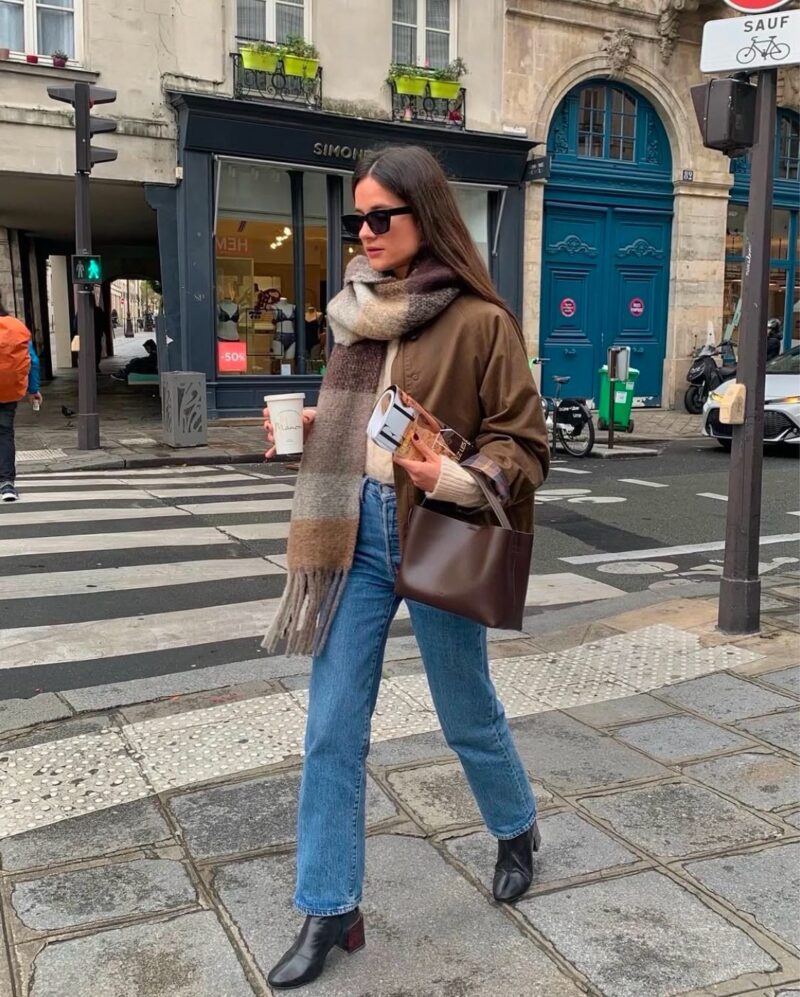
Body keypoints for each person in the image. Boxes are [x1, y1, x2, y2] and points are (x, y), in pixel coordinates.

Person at [262, 145, 549, 990]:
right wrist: (318, 427)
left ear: (426, 216)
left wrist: (453, 476)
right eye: (357, 216)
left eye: (380, 215)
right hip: (350, 528)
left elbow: (523, 443)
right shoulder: (353, 309)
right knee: (330, 724)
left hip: (437, 528)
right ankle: (328, 906)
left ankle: (516, 825)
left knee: (466, 708)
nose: (365, 230)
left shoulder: (479, 320)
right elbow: (364, 426)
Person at [0, 298, 42, 502]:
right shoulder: (17, 327)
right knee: (5, 434)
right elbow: (32, 360)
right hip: (7, 391)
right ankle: (7, 484)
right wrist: (33, 389)